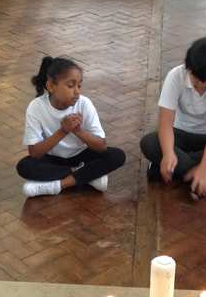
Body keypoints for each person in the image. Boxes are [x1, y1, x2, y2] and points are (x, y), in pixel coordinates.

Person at [139, 36, 206, 198]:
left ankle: (180, 170)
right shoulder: (175, 76)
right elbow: (165, 123)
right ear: (188, 66)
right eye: (195, 78)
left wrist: (204, 167)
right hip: (179, 134)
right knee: (149, 143)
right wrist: (168, 153)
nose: (200, 84)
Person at [16, 56, 126, 197]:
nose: (77, 91)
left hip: (81, 156)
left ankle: (59, 184)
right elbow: (35, 153)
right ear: (51, 86)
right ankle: (87, 176)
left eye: (79, 86)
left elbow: (101, 146)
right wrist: (63, 131)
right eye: (70, 86)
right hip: (53, 159)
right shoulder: (36, 107)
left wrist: (77, 130)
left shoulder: (84, 104)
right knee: (24, 166)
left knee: (117, 155)